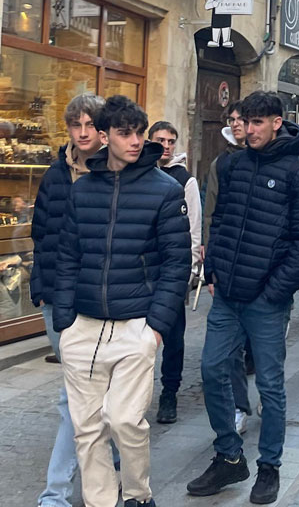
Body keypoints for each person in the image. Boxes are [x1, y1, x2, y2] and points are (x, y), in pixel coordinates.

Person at [53, 96, 190, 507]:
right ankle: (101, 501)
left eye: (139, 133)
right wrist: (65, 320)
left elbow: (177, 263)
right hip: (83, 325)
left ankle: (137, 495)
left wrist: (156, 327)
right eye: (124, 133)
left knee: (124, 420)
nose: (134, 141)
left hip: (136, 325)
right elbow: (67, 256)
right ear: (104, 136)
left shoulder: (166, 190)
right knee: (86, 428)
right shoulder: (82, 190)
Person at [188, 91, 299, 504]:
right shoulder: (232, 165)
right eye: (246, 122)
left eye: (258, 122)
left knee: (270, 384)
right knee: (212, 370)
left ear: (277, 123)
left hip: (266, 300)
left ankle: (269, 466)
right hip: (227, 295)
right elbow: (221, 220)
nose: (250, 130)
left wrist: (275, 291)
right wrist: (214, 269)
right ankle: (229, 456)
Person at [31, 92, 112, 507]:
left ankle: (61, 492)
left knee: (87, 397)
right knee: (78, 394)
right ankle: (71, 487)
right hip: (56, 299)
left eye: (90, 126)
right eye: (75, 126)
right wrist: (40, 288)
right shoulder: (54, 175)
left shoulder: (115, 174)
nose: (82, 134)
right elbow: (40, 234)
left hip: (100, 299)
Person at [202, 102, 256, 433]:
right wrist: (210, 262)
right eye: (233, 120)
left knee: (263, 344)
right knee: (230, 347)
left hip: (264, 268)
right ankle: (239, 404)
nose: (237, 125)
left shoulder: (273, 161)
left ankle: (269, 389)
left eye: (242, 119)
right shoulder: (220, 163)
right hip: (228, 266)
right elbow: (212, 213)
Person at [149, 120, 204, 423]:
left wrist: (190, 270)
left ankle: (169, 391)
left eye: (171, 141)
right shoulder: (140, 172)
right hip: (144, 270)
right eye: (161, 140)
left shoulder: (185, 180)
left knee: (173, 337)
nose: (166, 146)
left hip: (173, 271)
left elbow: (193, 228)